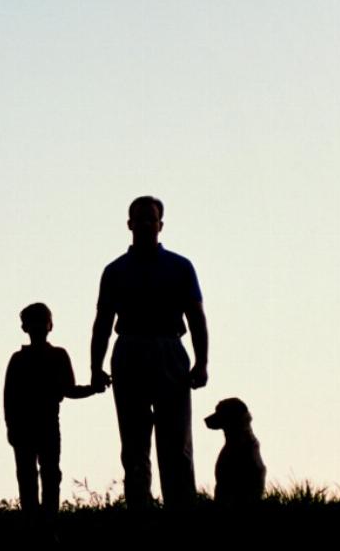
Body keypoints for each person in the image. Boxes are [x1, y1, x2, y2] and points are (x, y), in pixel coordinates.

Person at [90, 196, 209, 510]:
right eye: (138, 219)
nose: (144, 224)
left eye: (150, 219)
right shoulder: (115, 271)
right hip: (130, 351)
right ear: (129, 224)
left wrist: (202, 362)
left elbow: (196, 316)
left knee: (176, 443)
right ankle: (139, 511)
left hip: (170, 349)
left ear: (160, 224)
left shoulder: (181, 267)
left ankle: (181, 510)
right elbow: (103, 321)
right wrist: (95, 366)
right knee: (134, 443)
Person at [4, 303, 104, 523]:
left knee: (42, 474)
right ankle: (41, 521)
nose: (39, 326)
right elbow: (10, 398)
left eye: (41, 321)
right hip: (33, 425)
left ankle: (44, 521)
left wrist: (92, 389)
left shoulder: (36, 358)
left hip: (43, 424)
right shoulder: (31, 358)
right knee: (37, 475)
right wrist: (11, 426)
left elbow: (69, 390)